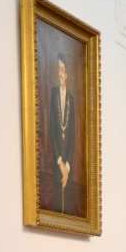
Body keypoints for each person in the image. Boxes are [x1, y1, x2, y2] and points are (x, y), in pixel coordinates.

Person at [42, 53, 80, 216]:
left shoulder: (71, 98)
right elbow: (52, 129)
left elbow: (72, 135)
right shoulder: (53, 93)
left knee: (69, 201)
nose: (60, 73)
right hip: (57, 158)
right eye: (58, 70)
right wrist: (60, 162)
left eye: (63, 69)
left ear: (67, 74)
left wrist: (68, 164)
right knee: (57, 197)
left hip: (68, 160)